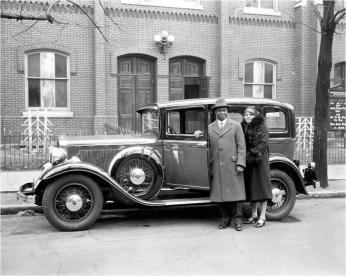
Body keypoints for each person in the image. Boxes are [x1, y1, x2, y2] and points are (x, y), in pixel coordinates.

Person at [208, 97, 246, 231]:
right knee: (220, 195)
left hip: (232, 165)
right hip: (217, 166)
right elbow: (206, 142)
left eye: (223, 110)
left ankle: (238, 220)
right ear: (215, 112)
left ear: (227, 111)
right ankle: (225, 219)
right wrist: (197, 134)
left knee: (235, 195)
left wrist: (241, 163)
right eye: (218, 110)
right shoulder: (210, 127)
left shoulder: (236, 125)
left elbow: (242, 146)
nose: (221, 112)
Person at [241, 106, 272, 228]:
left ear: (255, 116)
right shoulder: (243, 126)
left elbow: (263, 143)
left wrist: (251, 152)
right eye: (246, 114)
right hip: (249, 160)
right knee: (252, 188)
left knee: (262, 187)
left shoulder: (262, 126)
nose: (248, 116)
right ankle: (254, 215)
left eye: (250, 114)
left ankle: (262, 216)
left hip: (259, 160)